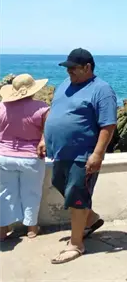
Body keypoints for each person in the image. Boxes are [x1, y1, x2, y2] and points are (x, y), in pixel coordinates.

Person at [43, 49, 117, 264]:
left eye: (73, 68)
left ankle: (76, 244)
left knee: (77, 194)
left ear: (87, 67)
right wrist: (43, 139)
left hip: (83, 154)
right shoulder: (64, 85)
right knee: (59, 183)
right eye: (67, 68)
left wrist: (98, 154)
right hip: (60, 152)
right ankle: (90, 218)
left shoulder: (102, 90)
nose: (69, 72)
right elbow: (53, 112)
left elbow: (108, 125)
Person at [0, 74, 50, 240]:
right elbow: (49, 131)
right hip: (31, 157)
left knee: (5, 193)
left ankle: (2, 229)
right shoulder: (42, 108)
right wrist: (42, 140)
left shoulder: (1, 107)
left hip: (4, 156)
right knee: (32, 192)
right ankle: (32, 229)